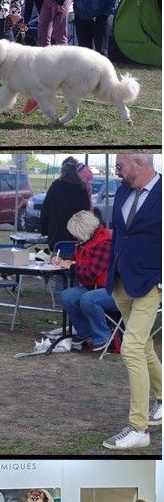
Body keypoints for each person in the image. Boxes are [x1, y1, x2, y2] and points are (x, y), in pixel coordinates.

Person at [103, 154, 162, 450]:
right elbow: (118, 235)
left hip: (152, 283)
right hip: (121, 281)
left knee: (132, 348)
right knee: (144, 346)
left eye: (120, 165)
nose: (117, 171)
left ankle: (139, 428)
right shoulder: (124, 189)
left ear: (140, 162)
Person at [9, 0, 73, 114]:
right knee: (42, 32)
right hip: (46, 1)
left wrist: (60, 3)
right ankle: (46, 62)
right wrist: (25, 20)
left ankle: (65, 65)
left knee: (60, 34)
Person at [57, 210, 119, 353]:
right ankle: (85, 332)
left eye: (75, 232)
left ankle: (103, 337)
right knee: (67, 296)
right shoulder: (85, 242)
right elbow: (76, 258)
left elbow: (92, 273)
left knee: (88, 299)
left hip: (112, 289)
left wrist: (71, 265)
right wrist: (61, 260)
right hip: (93, 287)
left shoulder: (104, 243)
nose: (74, 235)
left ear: (83, 230)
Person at [40, 157, 91, 252]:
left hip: (57, 232)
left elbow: (45, 209)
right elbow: (87, 209)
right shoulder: (82, 188)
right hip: (77, 233)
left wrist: (44, 230)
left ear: (62, 171)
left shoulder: (56, 186)